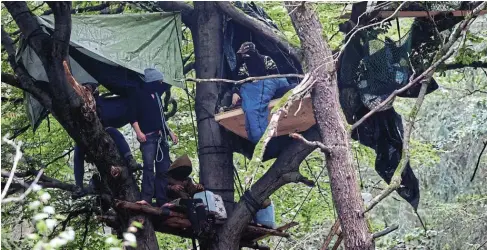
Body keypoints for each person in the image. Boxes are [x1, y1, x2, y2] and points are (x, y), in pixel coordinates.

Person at [129, 68, 178, 207]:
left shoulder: (156, 96)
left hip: (161, 137)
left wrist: (170, 133)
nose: (160, 84)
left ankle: (163, 200)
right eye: (158, 81)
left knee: (163, 170)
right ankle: (147, 198)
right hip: (148, 137)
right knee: (149, 167)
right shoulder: (138, 94)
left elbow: (161, 118)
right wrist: (139, 132)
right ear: (151, 81)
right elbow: (132, 115)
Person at [231, 42, 295, 143]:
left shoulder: (266, 59)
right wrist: (235, 92)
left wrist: (262, 82)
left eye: (246, 53)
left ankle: (260, 136)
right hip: (254, 92)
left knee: (284, 85)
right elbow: (240, 82)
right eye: (243, 54)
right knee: (250, 108)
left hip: (271, 88)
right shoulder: (244, 67)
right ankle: (258, 137)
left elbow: (275, 76)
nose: (244, 56)